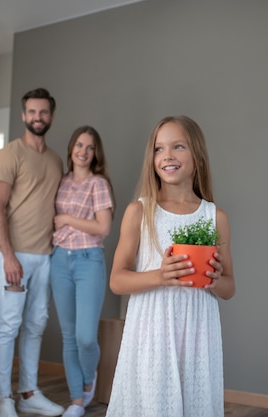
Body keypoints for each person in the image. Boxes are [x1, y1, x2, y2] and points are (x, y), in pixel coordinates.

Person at [105, 115, 235, 417]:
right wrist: (160, 275)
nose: (168, 156)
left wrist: (215, 280)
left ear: (198, 156)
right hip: (151, 333)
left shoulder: (216, 217)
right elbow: (117, 281)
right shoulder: (139, 211)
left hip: (198, 336)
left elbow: (230, 287)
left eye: (178, 146)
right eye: (159, 149)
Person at [0, 87, 66, 417]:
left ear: (51, 116)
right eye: (32, 112)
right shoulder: (9, 154)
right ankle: (4, 398)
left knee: (36, 325)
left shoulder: (55, 160)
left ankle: (29, 393)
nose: (37, 117)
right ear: (23, 115)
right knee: (8, 326)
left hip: (46, 256)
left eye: (43, 112)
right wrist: (8, 256)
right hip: (15, 256)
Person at [49, 125, 115, 417]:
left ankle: (88, 380)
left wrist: (66, 219)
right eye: (79, 145)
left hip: (89, 261)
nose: (83, 151)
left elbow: (103, 228)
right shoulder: (61, 181)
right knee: (68, 335)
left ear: (95, 153)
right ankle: (76, 401)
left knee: (85, 337)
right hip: (59, 261)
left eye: (90, 147)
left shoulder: (98, 184)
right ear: (71, 148)